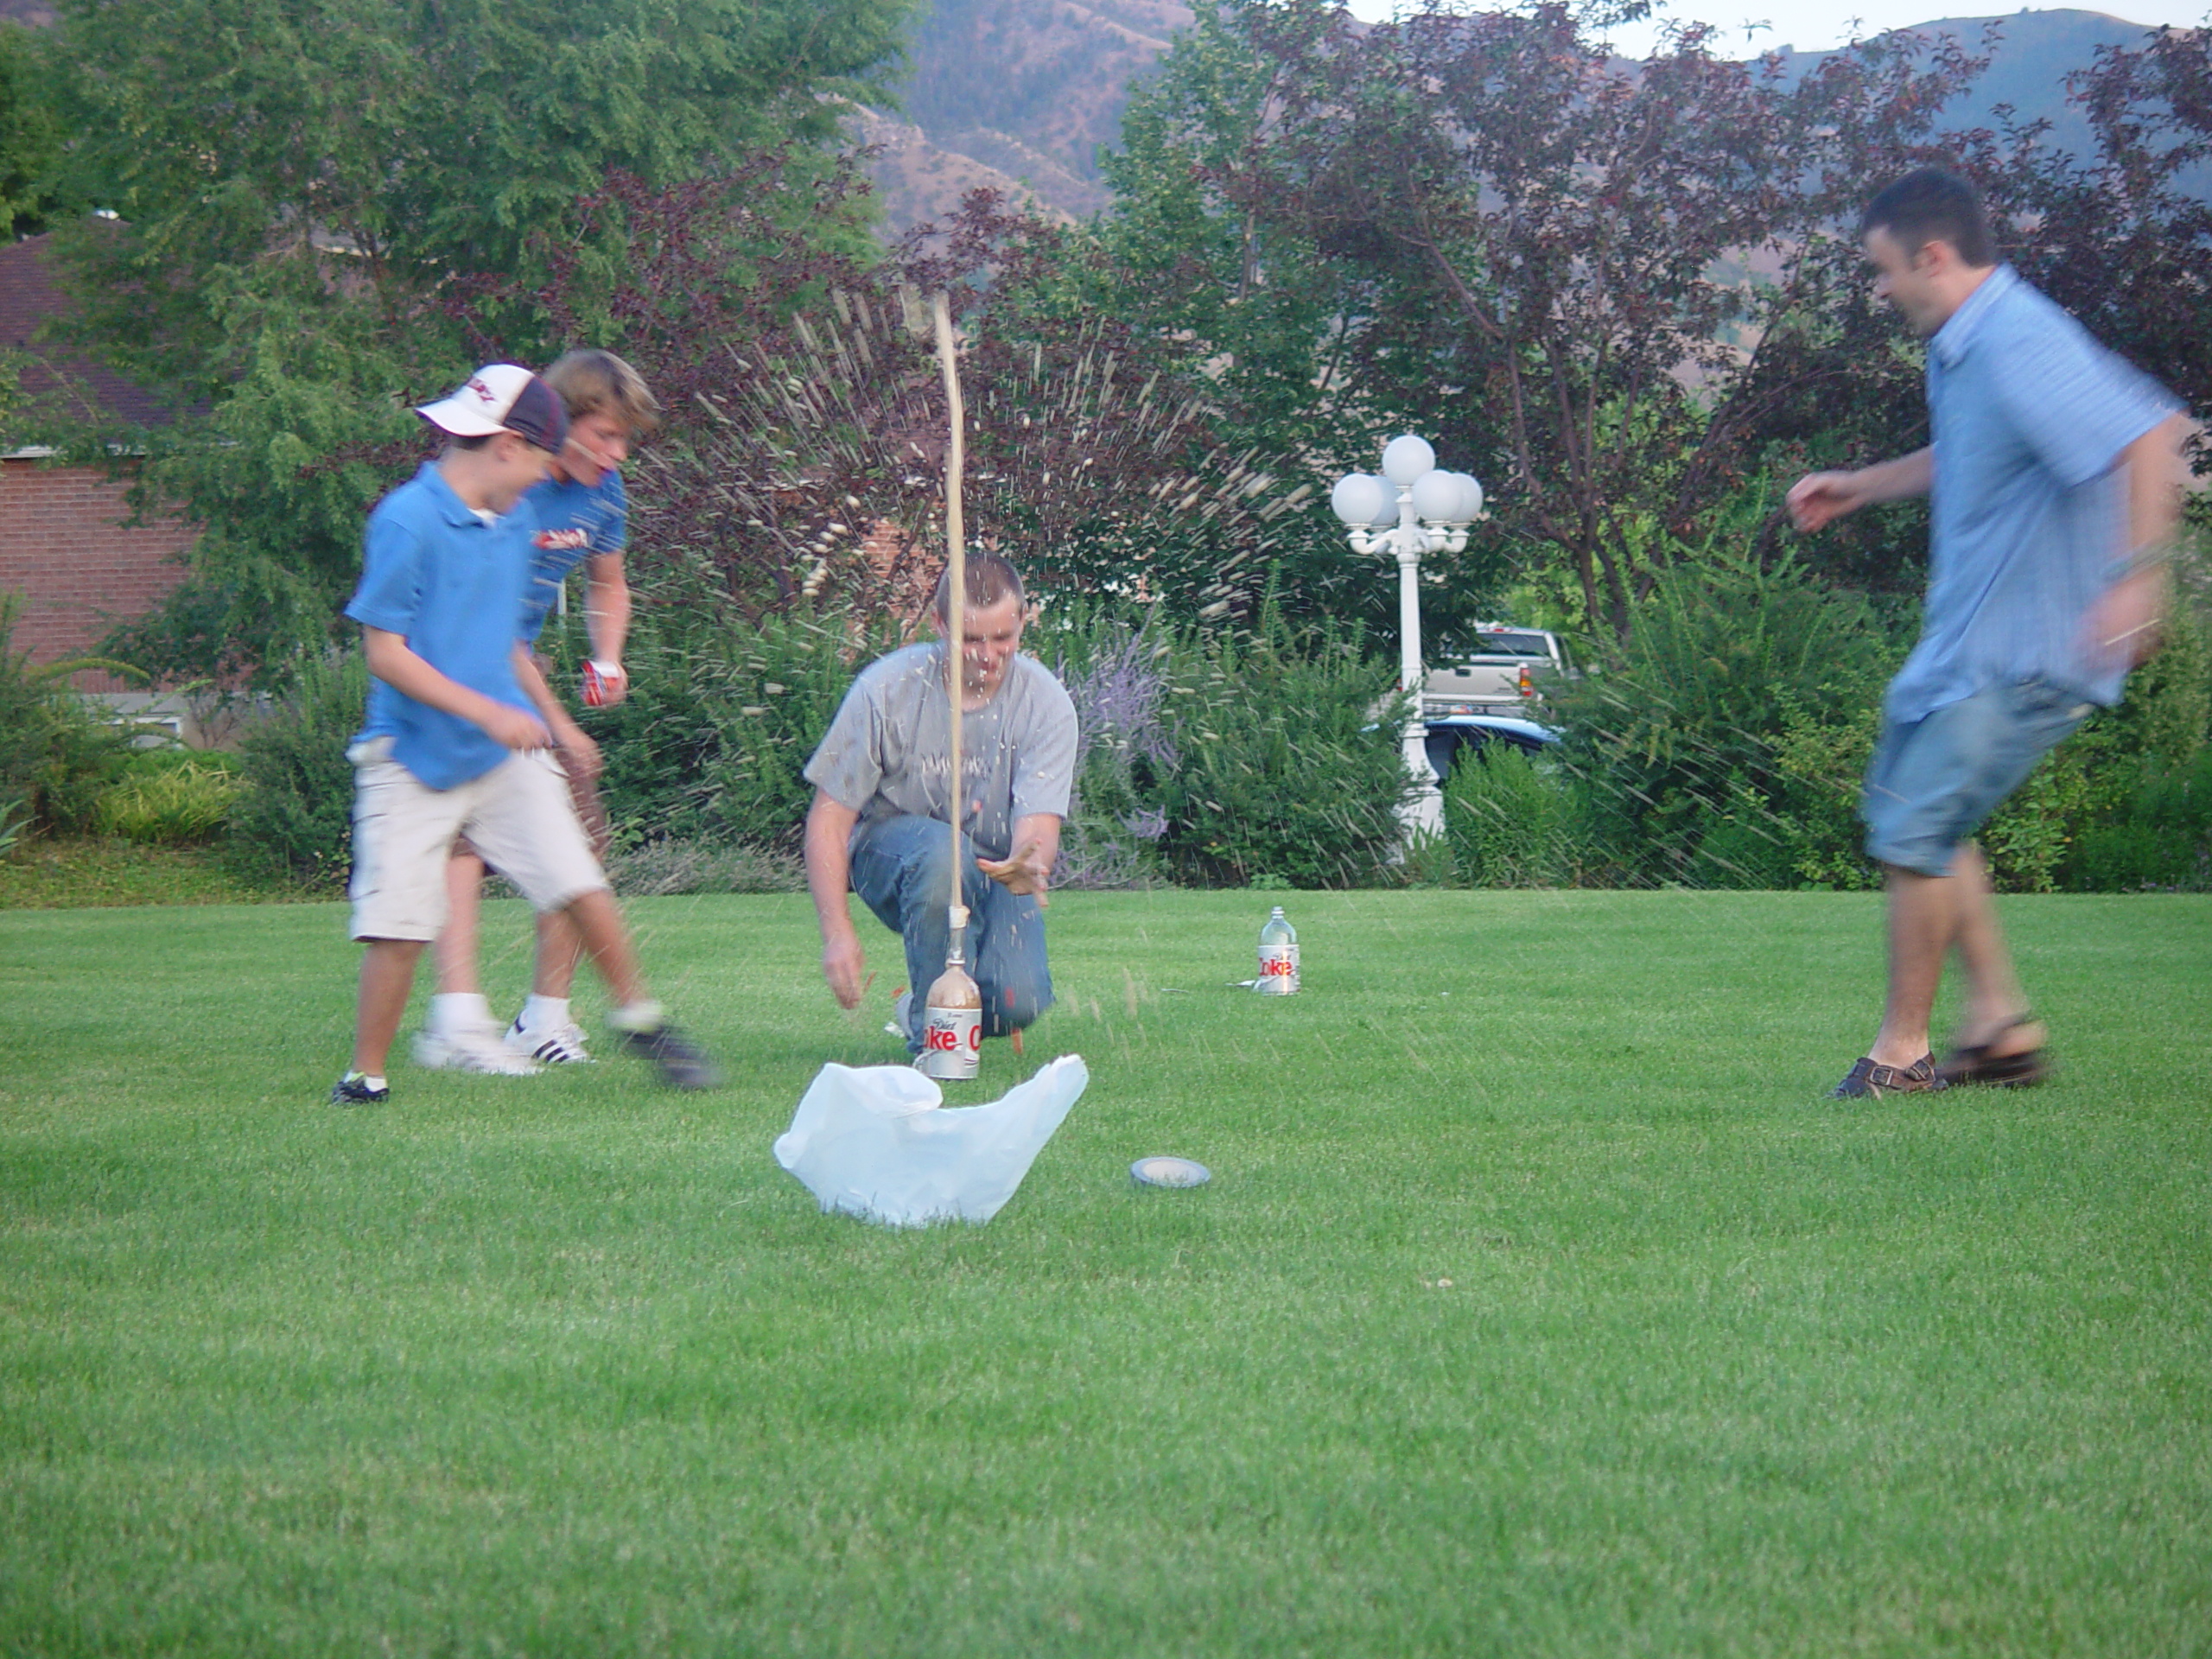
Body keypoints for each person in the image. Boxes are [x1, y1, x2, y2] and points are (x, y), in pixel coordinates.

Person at [1787, 167, 2186, 1099]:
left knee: (1914, 825)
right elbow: (1969, 454)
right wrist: (1860, 483)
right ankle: (1999, 1024)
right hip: (1967, 640)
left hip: (2032, 645)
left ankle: (1902, 1051)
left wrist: (2137, 586)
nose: (1880, 291)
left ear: (1932, 254)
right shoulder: (1962, 348)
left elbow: (2149, 436)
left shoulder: (2015, 336)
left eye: (1884, 271)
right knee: (1912, 810)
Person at [330, 364, 717, 1106]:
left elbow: (507, 640)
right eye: (545, 459)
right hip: (409, 752)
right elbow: (385, 653)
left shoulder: (511, 526)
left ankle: (640, 1017)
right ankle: (365, 1074)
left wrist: (541, 715)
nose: (548, 478)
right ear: (509, 446)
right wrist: (489, 711)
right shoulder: (407, 521)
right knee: (400, 922)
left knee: (574, 875)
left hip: (500, 749)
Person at [412, 349, 655, 1072]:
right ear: (559, 426)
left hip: (517, 670)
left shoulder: (604, 494)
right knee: (463, 841)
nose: (615, 455)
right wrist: (561, 726)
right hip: (451, 670)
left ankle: (541, 1021)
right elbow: (488, 632)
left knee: (578, 840)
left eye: (625, 441)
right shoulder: (507, 487)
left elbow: (607, 584)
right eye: (605, 436)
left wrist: (607, 657)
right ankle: (457, 1019)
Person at [802, 553, 1077, 1056]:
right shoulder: (885, 690)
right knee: (942, 856)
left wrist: (1028, 863)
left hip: (995, 866)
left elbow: (1038, 826)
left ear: (1022, 621)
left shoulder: (1047, 702)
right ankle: (935, 1042)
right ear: (937, 624)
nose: (988, 655)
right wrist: (837, 932)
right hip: (892, 856)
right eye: (970, 639)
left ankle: (921, 1006)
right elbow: (829, 818)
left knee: (1019, 1000)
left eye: (1003, 639)